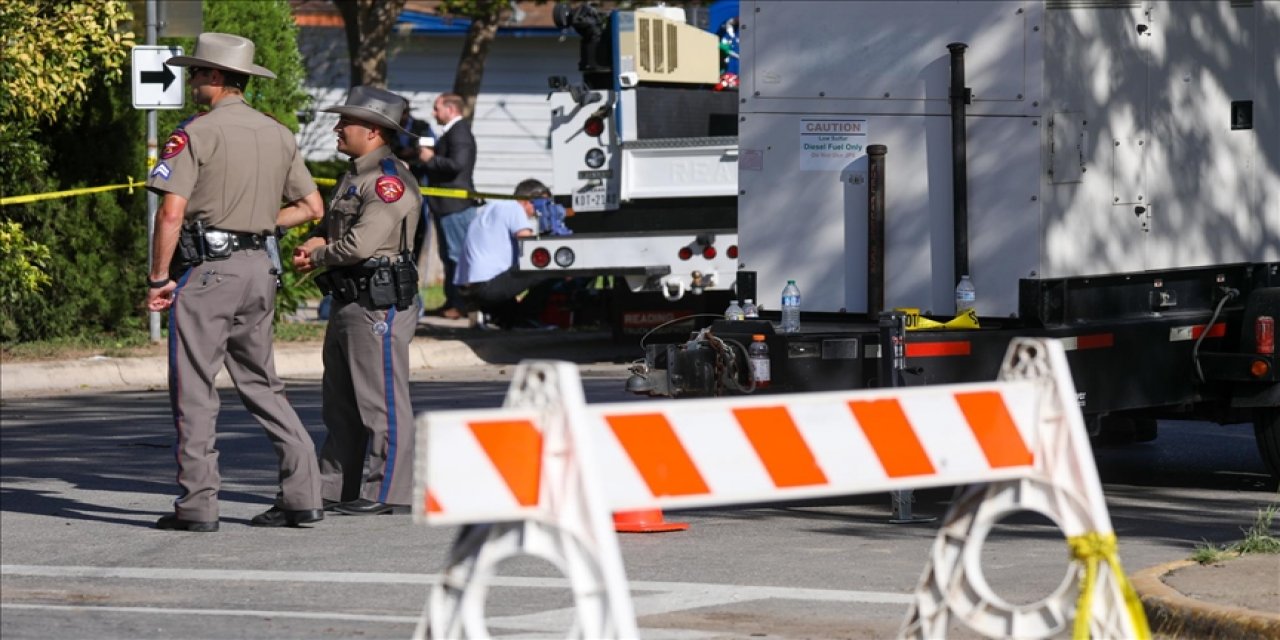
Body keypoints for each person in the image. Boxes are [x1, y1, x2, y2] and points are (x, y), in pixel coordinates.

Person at [143, 32, 325, 532]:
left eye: (197, 73)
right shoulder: (278, 133)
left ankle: (199, 503)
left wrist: (159, 277)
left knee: (196, 389)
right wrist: (260, 220)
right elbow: (312, 208)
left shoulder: (196, 133)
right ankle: (303, 495)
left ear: (216, 78)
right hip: (259, 270)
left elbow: (170, 214)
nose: (193, 81)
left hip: (207, 273)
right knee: (263, 384)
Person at [292, 86, 423, 516]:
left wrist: (317, 253)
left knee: (381, 401)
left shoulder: (387, 179)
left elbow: (359, 245)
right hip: (351, 299)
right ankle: (336, 486)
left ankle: (388, 491)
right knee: (341, 403)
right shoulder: (356, 173)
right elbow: (345, 238)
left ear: (371, 130)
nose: (336, 127)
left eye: (345, 121)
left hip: (377, 302)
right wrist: (321, 242)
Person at [455, 179, 559, 329]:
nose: (539, 212)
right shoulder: (514, 208)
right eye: (540, 205)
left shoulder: (491, 208)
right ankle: (528, 319)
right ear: (528, 200)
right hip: (487, 287)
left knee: (511, 320)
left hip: (467, 288)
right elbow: (530, 245)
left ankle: (492, 315)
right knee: (548, 267)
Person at [419, 93, 479, 320]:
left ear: (451, 109)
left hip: (456, 207)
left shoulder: (460, 133)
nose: (434, 113)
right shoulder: (453, 133)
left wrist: (430, 159)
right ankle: (451, 302)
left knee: (457, 257)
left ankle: (462, 305)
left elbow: (457, 165)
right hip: (446, 207)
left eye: (437, 108)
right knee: (449, 257)